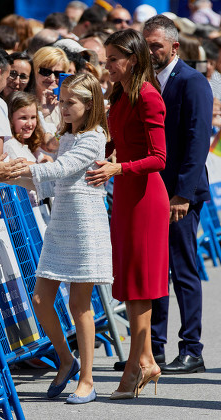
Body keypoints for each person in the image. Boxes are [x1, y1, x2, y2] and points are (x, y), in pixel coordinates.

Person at [86, 29, 169, 399]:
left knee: (139, 285)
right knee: (132, 285)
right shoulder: (120, 94)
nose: (108, 67)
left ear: (133, 59)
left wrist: (119, 168)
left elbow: (159, 158)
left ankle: (138, 365)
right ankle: (146, 360)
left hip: (145, 198)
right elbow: (117, 140)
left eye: (113, 60)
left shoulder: (148, 95)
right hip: (125, 195)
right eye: (106, 60)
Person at [21, 73, 113, 404]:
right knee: (41, 299)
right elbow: (51, 184)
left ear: (90, 105)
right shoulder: (66, 137)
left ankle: (87, 379)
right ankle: (65, 359)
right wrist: (9, 179)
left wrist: (19, 172)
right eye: (61, 101)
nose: (63, 107)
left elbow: (61, 170)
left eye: (70, 102)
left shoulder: (94, 137)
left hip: (86, 227)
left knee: (79, 304)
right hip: (60, 225)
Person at [142, 15, 213, 374]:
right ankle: (152, 348)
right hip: (152, 190)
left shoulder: (193, 81)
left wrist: (183, 194)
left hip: (180, 194)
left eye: (156, 44)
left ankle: (192, 349)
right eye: (147, 44)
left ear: (174, 46)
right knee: (155, 271)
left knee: (182, 269)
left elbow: (198, 141)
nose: (150, 50)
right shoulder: (145, 81)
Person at [4, 91, 52, 205]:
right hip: (21, 210)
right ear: (10, 118)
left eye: (33, 117)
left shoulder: (27, 144)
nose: (30, 124)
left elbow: (47, 159)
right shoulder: (9, 144)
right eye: (23, 118)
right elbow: (20, 170)